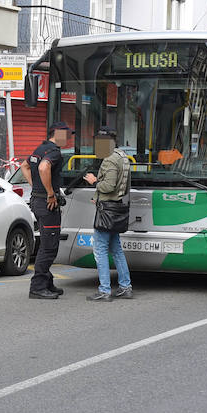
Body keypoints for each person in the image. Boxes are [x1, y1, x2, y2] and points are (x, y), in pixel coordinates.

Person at [21, 121, 75, 299]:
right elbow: (44, 167)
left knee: (47, 242)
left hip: (37, 200)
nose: (68, 138)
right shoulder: (54, 152)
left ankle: (47, 282)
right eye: (67, 135)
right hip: (47, 203)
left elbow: (24, 166)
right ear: (58, 134)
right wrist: (50, 193)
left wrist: (36, 186)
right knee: (49, 247)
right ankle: (37, 287)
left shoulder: (40, 148)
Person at [86, 127, 133, 301]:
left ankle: (104, 290)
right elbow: (123, 186)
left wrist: (95, 182)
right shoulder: (123, 156)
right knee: (116, 250)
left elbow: (109, 185)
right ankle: (125, 287)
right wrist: (98, 197)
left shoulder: (109, 160)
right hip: (117, 207)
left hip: (107, 211)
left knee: (100, 250)